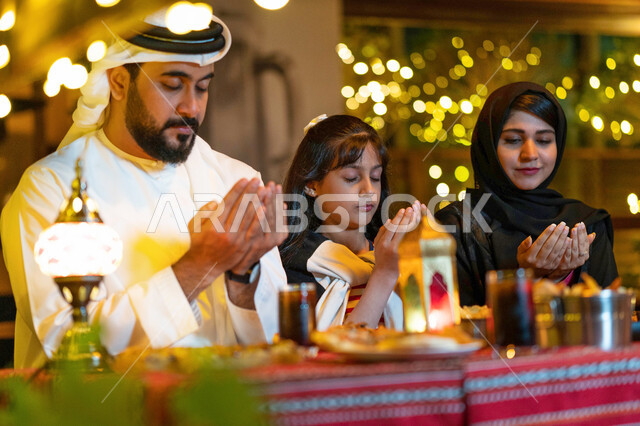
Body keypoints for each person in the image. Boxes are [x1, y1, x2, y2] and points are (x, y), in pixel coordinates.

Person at [0, 10, 288, 368]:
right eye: (172, 84)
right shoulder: (49, 189)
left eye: (202, 86)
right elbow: (66, 346)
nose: (191, 107)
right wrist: (199, 264)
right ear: (119, 82)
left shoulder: (235, 180)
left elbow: (278, 343)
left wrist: (242, 277)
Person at [435, 82, 618, 307]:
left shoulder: (587, 223)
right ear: (489, 146)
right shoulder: (455, 226)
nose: (530, 154)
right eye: (513, 140)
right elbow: (453, 332)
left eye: (543, 140)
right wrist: (525, 277)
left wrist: (559, 278)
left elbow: (612, 322)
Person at [279, 114, 422, 330]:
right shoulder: (297, 265)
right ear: (312, 185)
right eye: (351, 178)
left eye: (375, 177)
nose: (368, 190)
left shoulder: (387, 251)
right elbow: (333, 355)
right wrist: (383, 275)